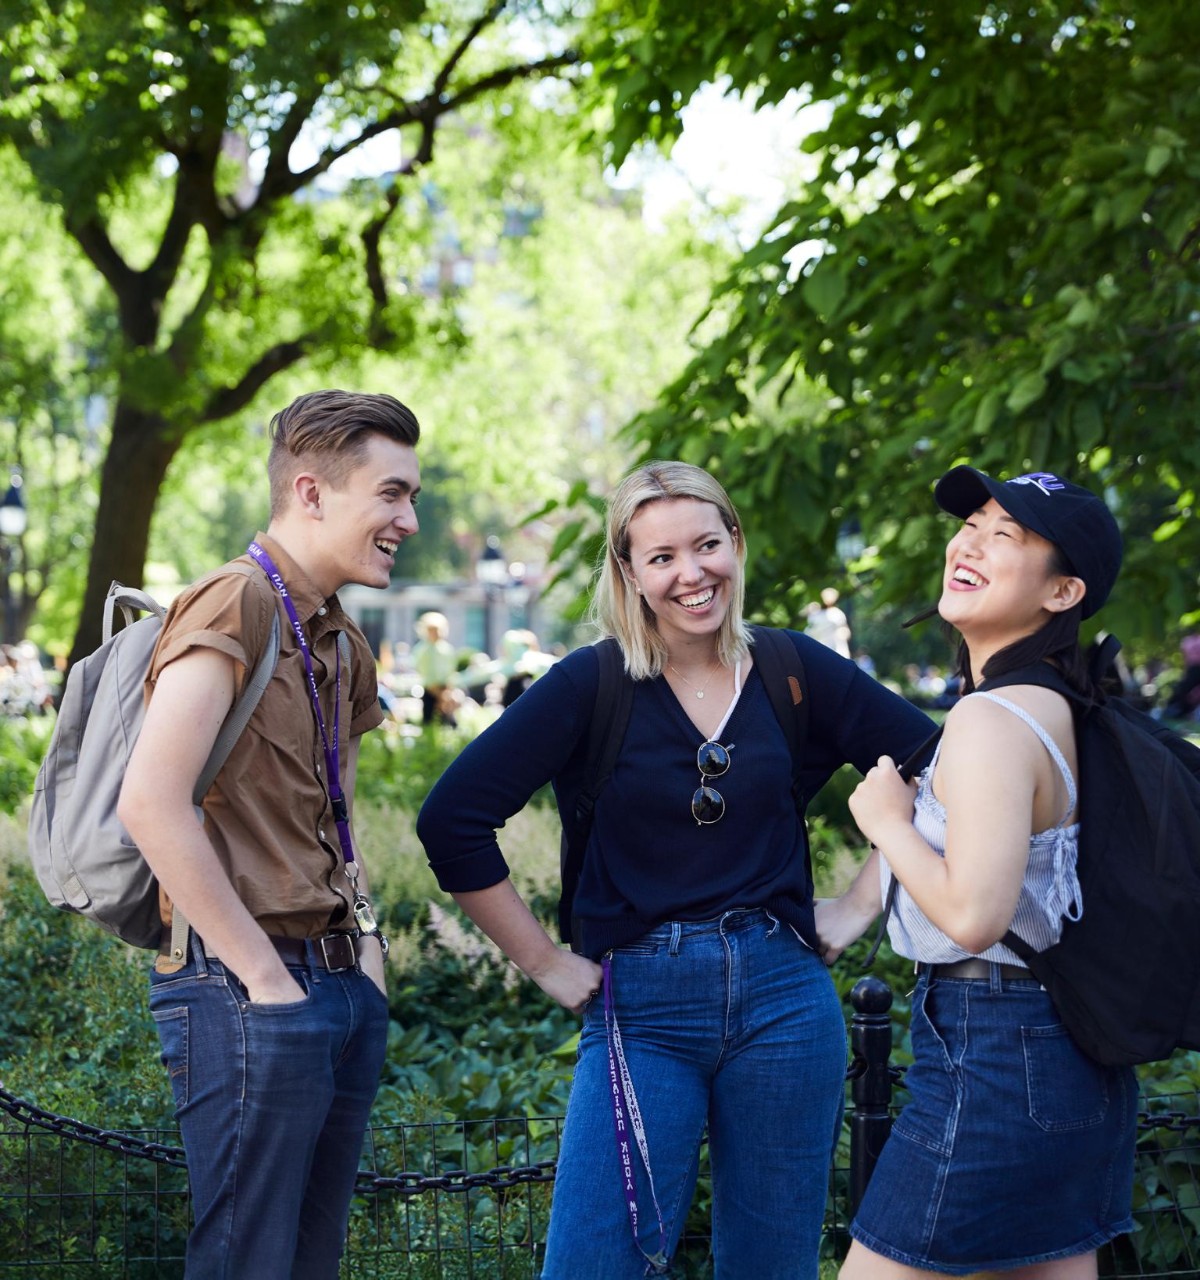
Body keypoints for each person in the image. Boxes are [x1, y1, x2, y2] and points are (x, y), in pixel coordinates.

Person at [416, 461, 933, 1279]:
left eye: (707, 544)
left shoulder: (791, 670)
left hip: (786, 1005)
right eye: (661, 557)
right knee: (593, 1265)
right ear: (629, 573)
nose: (691, 573)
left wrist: (864, 900)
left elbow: (935, 763)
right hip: (642, 1012)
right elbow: (452, 821)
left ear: (736, 543)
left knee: (772, 1267)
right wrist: (544, 962)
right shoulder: (591, 684)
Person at [118, 389, 422, 1279]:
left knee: (308, 1260)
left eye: (412, 497)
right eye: (392, 494)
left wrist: (365, 953)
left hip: (335, 982)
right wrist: (260, 977)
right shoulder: (234, 602)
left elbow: (337, 819)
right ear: (312, 491)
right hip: (242, 985)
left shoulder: (341, 641)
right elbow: (151, 803)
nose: (408, 518)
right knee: (249, 1263)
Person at [818, 467, 1137, 1279]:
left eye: (1007, 536)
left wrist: (886, 821)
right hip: (1069, 1060)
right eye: (973, 525)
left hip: (994, 1056)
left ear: (1063, 593)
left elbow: (974, 914)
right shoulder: (1057, 705)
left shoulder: (992, 718)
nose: (970, 543)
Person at [412, 610, 458, 725]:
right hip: (430, 690)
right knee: (428, 722)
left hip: (445, 690)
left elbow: (451, 671)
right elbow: (424, 672)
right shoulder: (422, 650)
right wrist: (438, 694)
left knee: (449, 722)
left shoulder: (447, 649)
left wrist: (447, 692)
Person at [804, 586, 852, 657]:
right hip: (821, 651)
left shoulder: (837, 614)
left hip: (835, 650)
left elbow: (844, 632)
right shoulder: (816, 614)